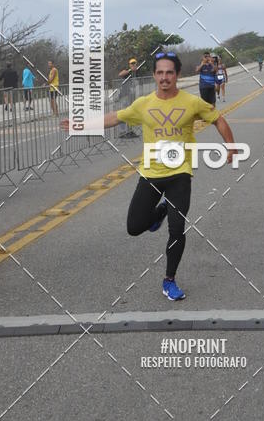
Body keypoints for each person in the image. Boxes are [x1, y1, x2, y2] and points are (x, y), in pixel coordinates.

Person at [61, 51, 238, 301]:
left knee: (177, 230)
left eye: (169, 73)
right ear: (154, 75)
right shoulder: (143, 104)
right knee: (134, 227)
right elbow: (115, 117)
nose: (164, 77)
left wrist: (231, 145)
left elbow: (218, 119)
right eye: (160, 73)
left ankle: (169, 280)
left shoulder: (191, 102)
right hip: (151, 174)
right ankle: (160, 211)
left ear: (177, 75)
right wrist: (81, 125)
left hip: (180, 174)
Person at [117, 57, 140, 139]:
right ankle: (122, 132)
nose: (134, 65)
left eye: (135, 63)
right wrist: (130, 70)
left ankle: (130, 131)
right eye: (132, 64)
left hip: (131, 96)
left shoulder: (136, 72)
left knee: (130, 114)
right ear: (129, 64)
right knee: (123, 114)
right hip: (124, 96)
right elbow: (120, 74)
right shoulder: (127, 71)